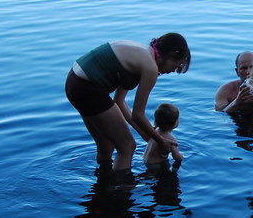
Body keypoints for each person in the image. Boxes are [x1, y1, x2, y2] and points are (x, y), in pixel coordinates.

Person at [65, 33, 190, 176]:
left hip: (74, 82)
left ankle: (104, 184)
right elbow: (138, 114)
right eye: (177, 64)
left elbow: (119, 101)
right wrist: (160, 140)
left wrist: (146, 135)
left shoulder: (142, 53)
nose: (174, 70)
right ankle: (122, 192)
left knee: (106, 146)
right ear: (172, 54)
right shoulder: (150, 68)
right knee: (127, 146)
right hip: (89, 88)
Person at [143, 103, 183, 167]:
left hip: (145, 160)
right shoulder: (171, 139)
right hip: (157, 165)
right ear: (175, 123)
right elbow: (176, 157)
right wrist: (182, 156)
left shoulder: (154, 132)